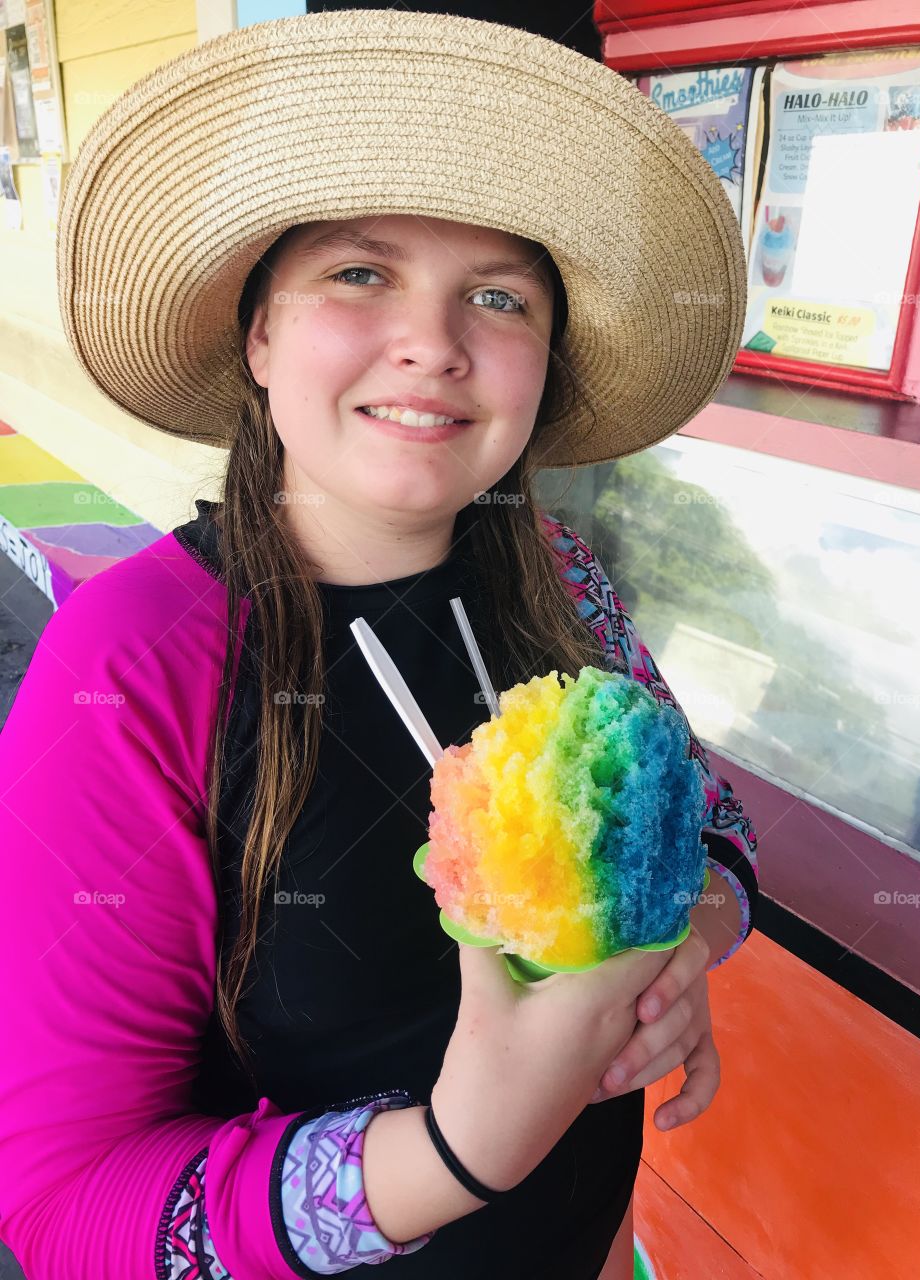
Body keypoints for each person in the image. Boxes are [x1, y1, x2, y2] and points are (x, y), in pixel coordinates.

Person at [0, 11, 759, 1279]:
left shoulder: (562, 582)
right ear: (256, 334)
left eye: (499, 295)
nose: (434, 342)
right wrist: (459, 1149)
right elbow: (68, 1202)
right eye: (360, 274)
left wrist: (688, 937)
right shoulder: (133, 664)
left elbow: (706, 813)